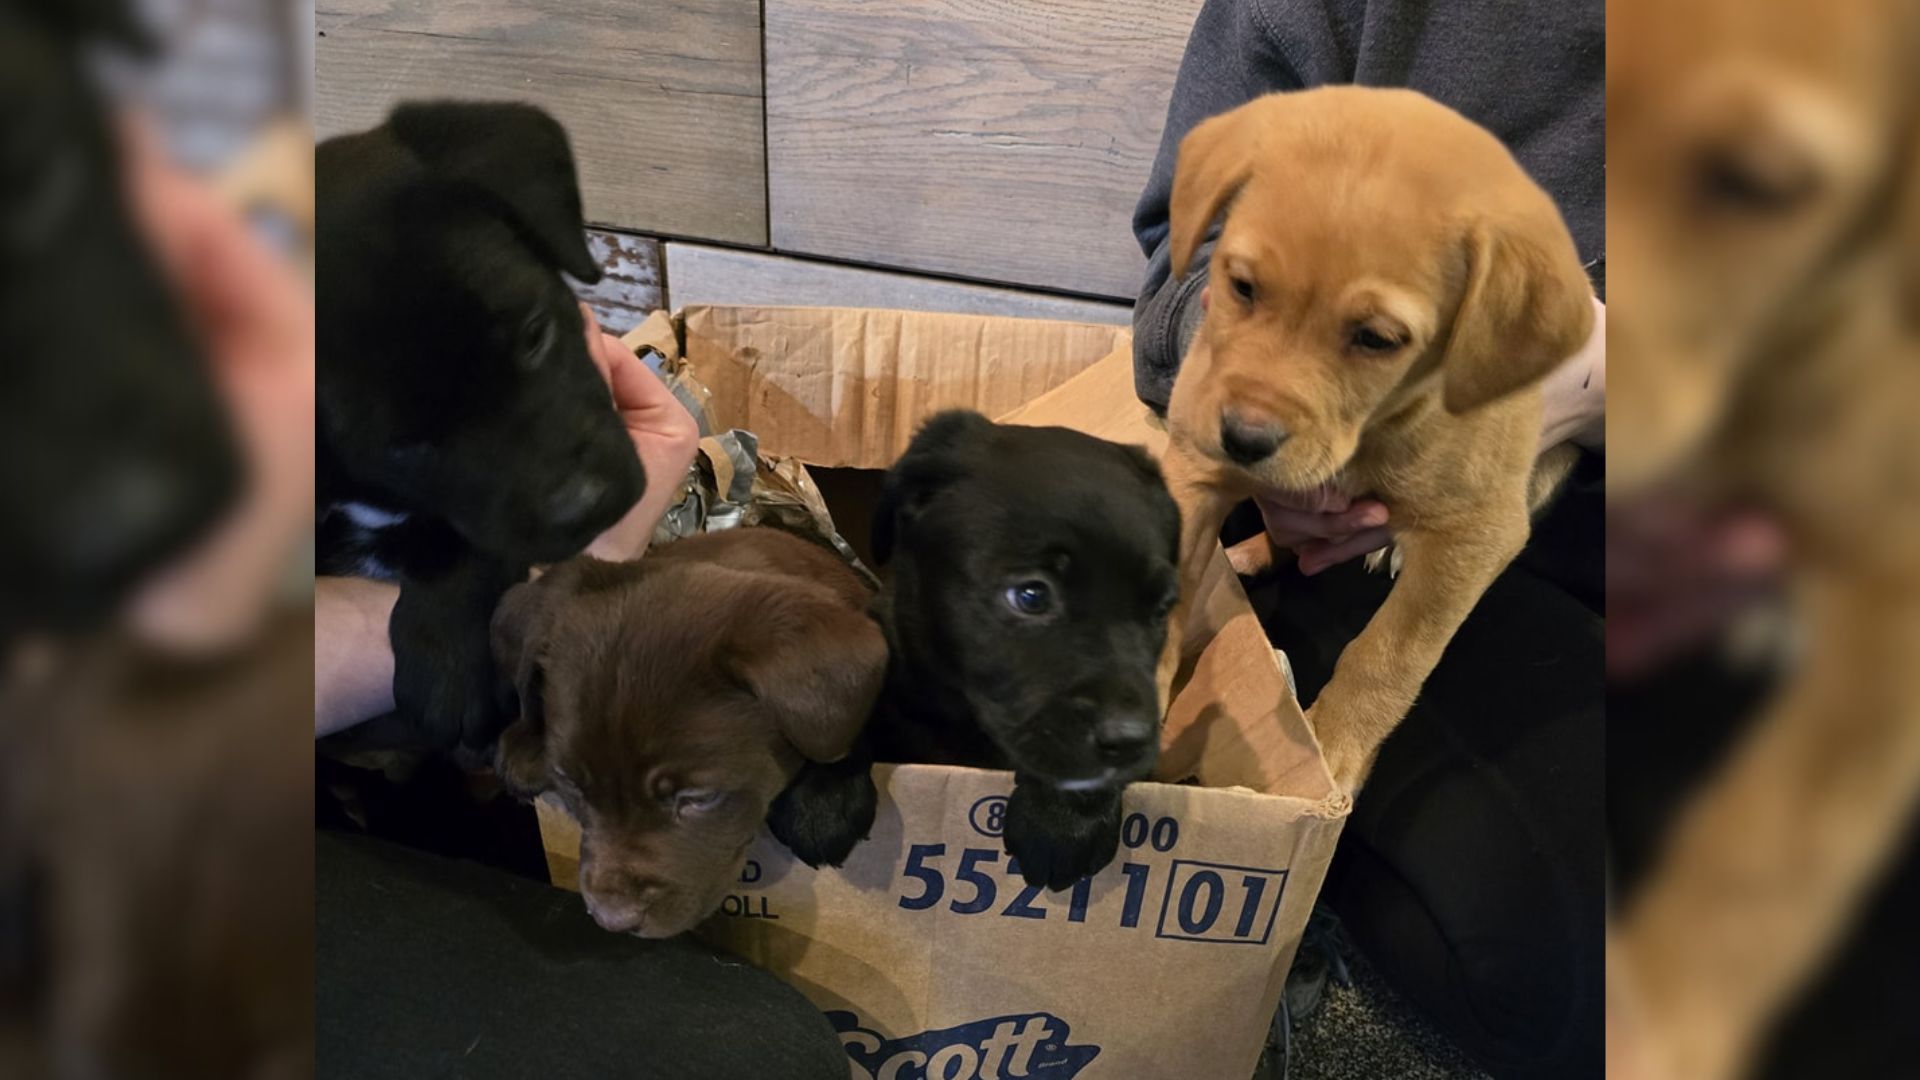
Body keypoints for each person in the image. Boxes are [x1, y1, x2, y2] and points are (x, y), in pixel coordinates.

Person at [1131, 2, 1607, 1075]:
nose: (1263, 399)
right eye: (1248, 288)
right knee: (1595, 978)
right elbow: (1179, 289)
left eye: (1370, 334)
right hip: (1368, 535)